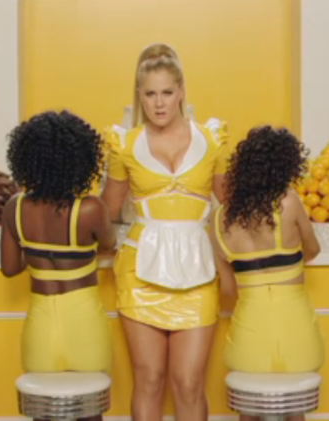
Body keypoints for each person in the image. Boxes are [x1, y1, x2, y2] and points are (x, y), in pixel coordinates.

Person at [101, 43, 230, 421]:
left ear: (182, 92)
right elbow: (107, 212)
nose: (158, 103)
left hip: (198, 272)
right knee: (150, 379)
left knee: (188, 383)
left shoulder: (212, 141)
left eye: (167, 93)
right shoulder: (124, 145)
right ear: (139, 96)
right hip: (139, 273)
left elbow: (232, 207)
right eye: (150, 94)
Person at [0, 110, 116, 421]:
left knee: (44, 411)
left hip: (40, 327)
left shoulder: (14, 208)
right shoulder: (90, 209)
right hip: (84, 323)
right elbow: (108, 245)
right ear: (80, 159)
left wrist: (39, 253)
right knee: (89, 411)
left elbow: (10, 268)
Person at [209, 126, 324, 421]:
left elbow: (228, 289)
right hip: (299, 339)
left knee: (249, 408)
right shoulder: (289, 202)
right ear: (286, 165)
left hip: (248, 343)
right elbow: (313, 250)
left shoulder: (219, 218)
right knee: (294, 409)